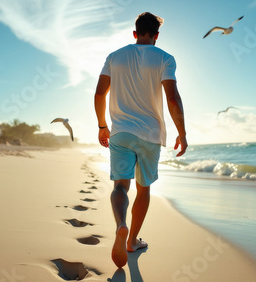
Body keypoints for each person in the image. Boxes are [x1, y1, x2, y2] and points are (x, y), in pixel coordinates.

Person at [94, 12, 187, 268]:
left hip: (121, 132)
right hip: (150, 134)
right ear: (156, 36)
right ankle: (132, 239)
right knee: (143, 189)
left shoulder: (114, 57)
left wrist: (103, 125)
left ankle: (121, 225)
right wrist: (182, 132)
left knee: (120, 186)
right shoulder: (165, 58)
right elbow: (172, 99)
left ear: (135, 33)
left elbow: (100, 93)